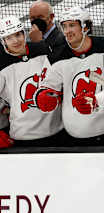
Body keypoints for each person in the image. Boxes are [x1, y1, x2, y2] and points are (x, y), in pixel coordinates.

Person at [35, 6, 104, 146]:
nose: (67, 31)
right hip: (76, 137)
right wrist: (43, 96)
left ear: (85, 27)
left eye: (72, 25)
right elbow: (47, 86)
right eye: (64, 26)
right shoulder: (56, 57)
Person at [0, 15, 67, 147]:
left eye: (18, 35)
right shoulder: (1, 65)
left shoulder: (44, 50)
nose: (15, 41)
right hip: (22, 137)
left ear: (24, 34)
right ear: (3, 41)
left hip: (57, 133)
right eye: (9, 37)